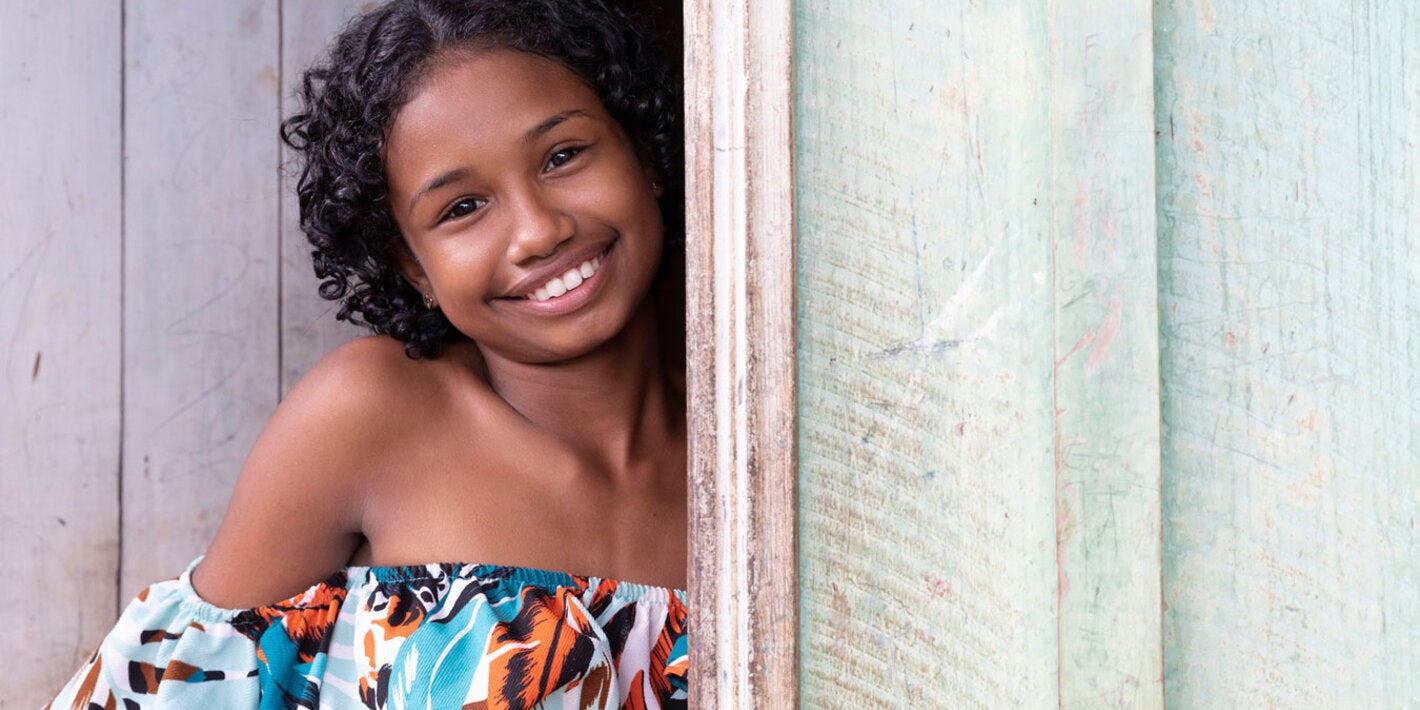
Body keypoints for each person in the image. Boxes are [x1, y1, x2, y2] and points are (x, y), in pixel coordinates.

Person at [47, 0, 687, 707]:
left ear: (644, 156)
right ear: (413, 267)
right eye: (462, 208)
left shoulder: (760, 454)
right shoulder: (372, 414)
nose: (538, 232)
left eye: (562, 157)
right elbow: (168, 692)